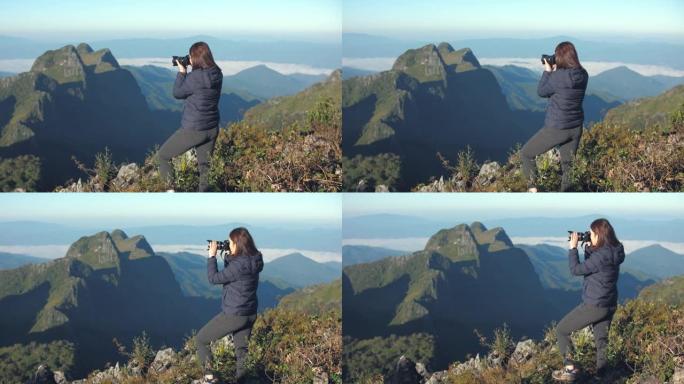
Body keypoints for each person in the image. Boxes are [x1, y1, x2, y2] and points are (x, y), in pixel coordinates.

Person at [553, 219, 625, 382]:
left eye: (591, 233)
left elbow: (576, 270)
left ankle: (570, 368)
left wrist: (573, 249)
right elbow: (594, 265)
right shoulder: (615, 250)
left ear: (599, 235)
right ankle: (602, 375)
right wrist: (588, 246)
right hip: (609, 303)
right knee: (602, 341)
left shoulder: (600, 257)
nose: (589, 236)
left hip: (594, 305)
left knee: (562, 330)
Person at [198, 227, 263, 384]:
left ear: (237, 244)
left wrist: (212, 256)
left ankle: (209, 377)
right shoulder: (254, 259)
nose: (228, 245)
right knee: (242, 351)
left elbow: (214, 278)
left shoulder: (239, 266)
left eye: (230, 242)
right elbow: (236, 272)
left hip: (234, 315)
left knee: (201, 339)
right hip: (250, 313)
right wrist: (230, 254)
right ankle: (242, 380)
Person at [521, 41, 588, 192]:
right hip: (576, 128)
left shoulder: (558, 77)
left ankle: (532, 190)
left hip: (557, 128)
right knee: (568, 167)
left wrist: (548, 71)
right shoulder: (584, 75)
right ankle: (566, 194)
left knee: (526, 154)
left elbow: (541, 91)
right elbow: (567, 84)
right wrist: (558, 70)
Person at [158, 41, 223, 192]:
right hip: (212, 128)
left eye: (191, 57)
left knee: (163, 156)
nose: (190, 59)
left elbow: (177, 93)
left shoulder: (195, 77)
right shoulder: (217, 73)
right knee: (205, 168)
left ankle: (169, 192)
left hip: (194, 129)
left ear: (197, 59)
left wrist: (182, 72)